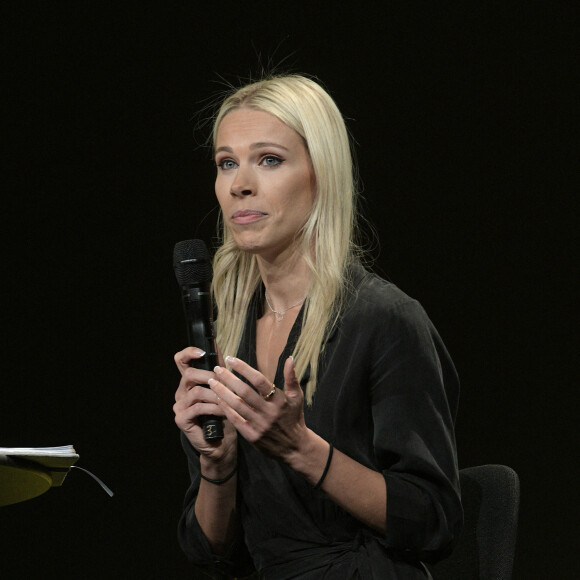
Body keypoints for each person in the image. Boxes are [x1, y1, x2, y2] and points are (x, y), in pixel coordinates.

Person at [173, 74, 462, 579]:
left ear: (320, 174)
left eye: (269, 160)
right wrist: (217, 465)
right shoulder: (224, 337)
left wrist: (302, 450)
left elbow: (433, 519)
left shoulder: (383, 318)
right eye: (226, 163)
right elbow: (212, 549)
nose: (240, 183)